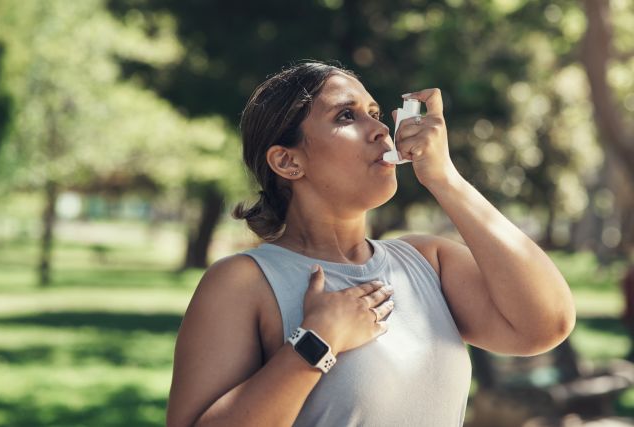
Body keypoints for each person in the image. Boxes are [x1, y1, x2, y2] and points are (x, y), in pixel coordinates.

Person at [166, 61, 576, 427]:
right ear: (288, 161)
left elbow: (545, 324)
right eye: (347, 115)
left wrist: (444, 178)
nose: (381, 129)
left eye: (376, 114)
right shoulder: (242, 283)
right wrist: (316, 341)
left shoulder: (427, 261)